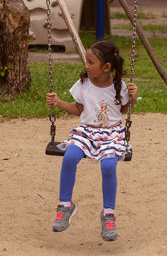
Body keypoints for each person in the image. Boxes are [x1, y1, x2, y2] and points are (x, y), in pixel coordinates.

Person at [46, 39, 138, 241]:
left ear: (106, 67)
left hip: (112, 133)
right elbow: (78, 109)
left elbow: (123, 111)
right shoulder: (83, 85)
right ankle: (66, 205)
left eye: (90, 62)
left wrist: (131, 98)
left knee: (108, 166)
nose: (85, 66)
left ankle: (108, 214)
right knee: (69, 158)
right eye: (86, 61)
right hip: (86, 131)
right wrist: (58, 102)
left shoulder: (119, 87)